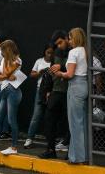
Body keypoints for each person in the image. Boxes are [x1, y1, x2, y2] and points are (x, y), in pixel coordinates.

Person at [53, 27, 88, 164]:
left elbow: (70, 74)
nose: (69, 40)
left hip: (75, 85)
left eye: (71, 38)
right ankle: (84, 155)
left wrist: (59, 74)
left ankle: (76, 157)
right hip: (84, 85)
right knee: (82, 123)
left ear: (76, 38)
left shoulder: (74, 52)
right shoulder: (86, 51)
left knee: (75, 124)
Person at [40, 30, 70, 159]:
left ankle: (71, 152)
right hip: (56, 91)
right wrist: (47, 90)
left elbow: (74, 68)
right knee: (49, 120)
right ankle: (50, 149)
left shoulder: (75, 51)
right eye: (57, 44)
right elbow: (51, 71)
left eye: (61, 42)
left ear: (66, 38)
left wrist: (61, 67)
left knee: (71, 123)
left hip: (70, 92)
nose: (59, 46)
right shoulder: (57, 52)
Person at [24, 43, 54, 148]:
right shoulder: (39, 61)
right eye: (48, 52)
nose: (50, 55)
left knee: (51, 117)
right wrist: (40, 73)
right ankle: (29, 138)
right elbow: (32, 74)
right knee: (36, 115)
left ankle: (52, 140)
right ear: (44, 52)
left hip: (52, 91)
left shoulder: (55, 62)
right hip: (40, 90)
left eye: (51, 53)